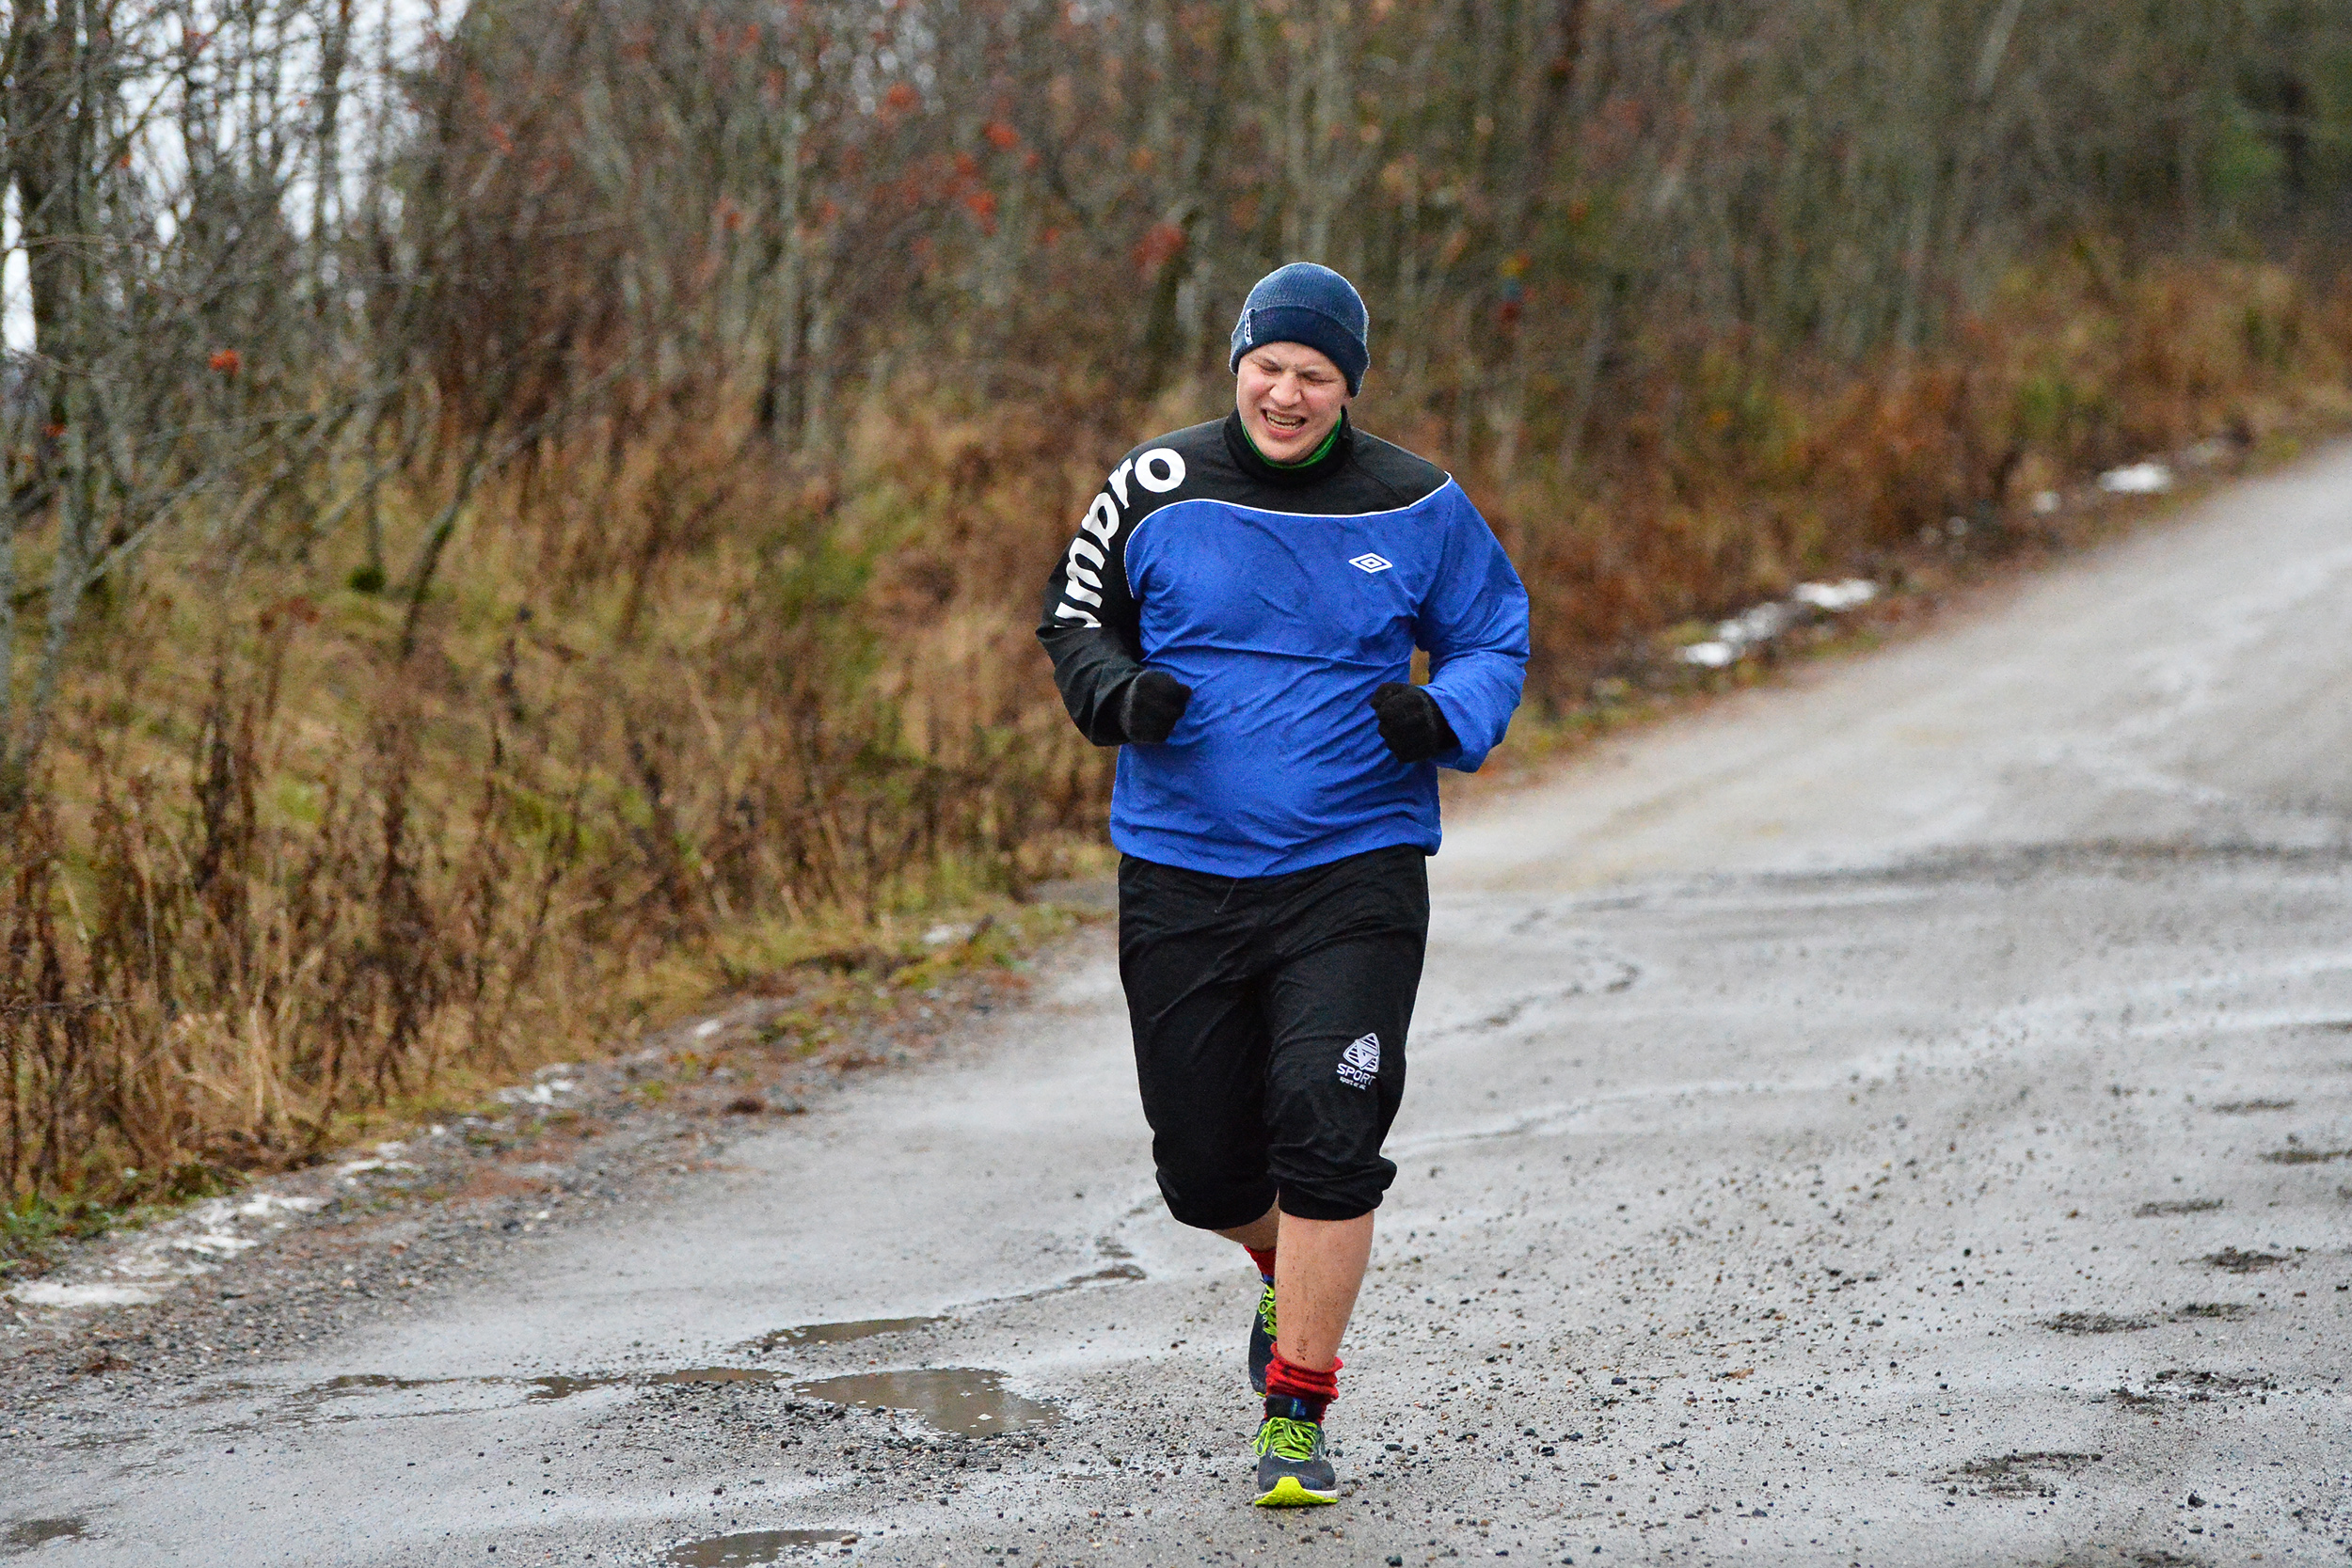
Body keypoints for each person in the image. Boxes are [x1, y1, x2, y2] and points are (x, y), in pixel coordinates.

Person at [1036, 261, 1530, 1507]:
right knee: (1204, 1176)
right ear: (1239, 364)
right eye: (1272, 367)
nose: (1290, 393)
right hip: (1181, 871)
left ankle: (1298, 1411)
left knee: (1327, 1124)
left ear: (1347, 386)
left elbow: (1492, 629)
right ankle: (1280, 1270)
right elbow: (1075, 617)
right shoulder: (1155, 484)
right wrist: (1114, 694)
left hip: (1353, 868)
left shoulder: (1418, 502)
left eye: (1317, 375)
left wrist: (1444, 714)